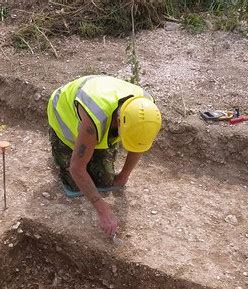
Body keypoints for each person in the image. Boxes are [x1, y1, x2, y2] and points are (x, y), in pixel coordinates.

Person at [47, 75, 162, 236]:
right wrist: (103, 210)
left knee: (105, 180)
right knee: (74, 184)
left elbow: (139, 145)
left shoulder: (145, 111)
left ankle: (90, 147)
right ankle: (61, 150)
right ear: (119, 122)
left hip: (100, 117)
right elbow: (77, 168)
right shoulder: (95, 117)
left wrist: (123, 176)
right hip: (65, 114)